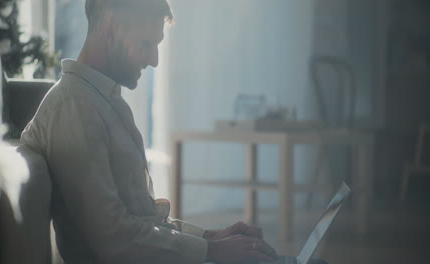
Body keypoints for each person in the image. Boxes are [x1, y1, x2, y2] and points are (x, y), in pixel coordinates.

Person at [21, 0, 278, 263]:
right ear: (111, 27)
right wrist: (214, 251)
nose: (154, 60)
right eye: (146, 44)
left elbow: (139, 221)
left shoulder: (98, 102)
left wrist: (210, 238)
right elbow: (113, 239)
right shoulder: (75, 107)